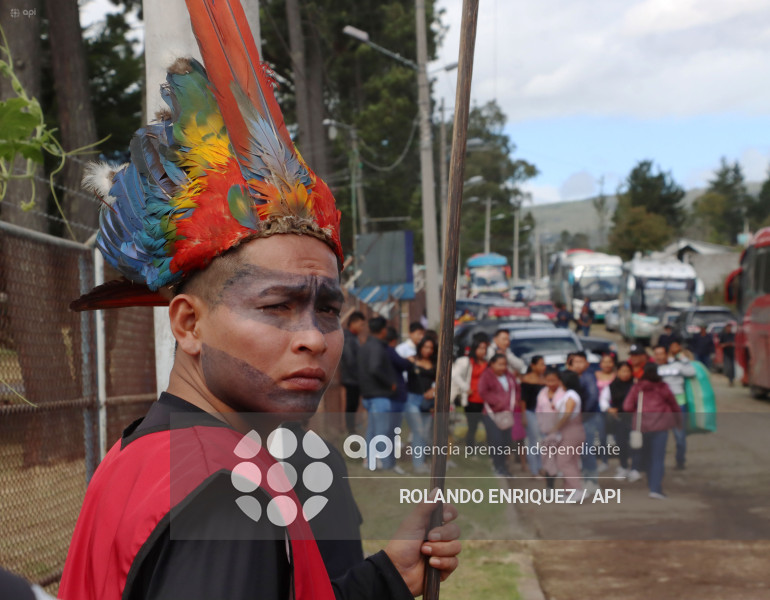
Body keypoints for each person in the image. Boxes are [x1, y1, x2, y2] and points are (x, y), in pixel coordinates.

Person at [60, 4, 461, 595]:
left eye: (327, 309)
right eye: (276, 306)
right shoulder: (226, 494)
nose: (315, 338)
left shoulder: (143, 447)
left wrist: (385, 580)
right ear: (189, 323)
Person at [624, 363, 682, 499]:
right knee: (658, 459)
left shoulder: (637, 388)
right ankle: (655, 488)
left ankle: (651, 483)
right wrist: (678, 421)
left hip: (641, 427)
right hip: (661, 427)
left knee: (647, 456)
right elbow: (674, 405)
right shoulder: (663, 387)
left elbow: (627, 406)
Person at [358, 317, 400, 471]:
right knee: (382, 431)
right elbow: (374, 368)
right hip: (379, 395)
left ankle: (370, 461)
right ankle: (382, 461)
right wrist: (391, 383)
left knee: (372, 430)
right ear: (383, 330)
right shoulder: (377, 348)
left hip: (368, 395)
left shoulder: (364, 346)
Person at [536, 369, 585, 491]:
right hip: (570, 431)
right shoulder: (569, 394)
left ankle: (577, 489)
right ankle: (570, 490)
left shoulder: (571, 395)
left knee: (563, 462)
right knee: (572, 462)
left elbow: (567, 413)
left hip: (571, 431)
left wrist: (556, 426)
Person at [653, 343, 695, 471]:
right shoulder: (653, 369)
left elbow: (692, 372)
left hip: (678, 406)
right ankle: (657, 463)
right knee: (658, 437)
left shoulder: (678, 365)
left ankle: (680, 461)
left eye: (661, 353)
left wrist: (681, 356)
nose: (659, 356)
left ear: (666, 354)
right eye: (656, 354)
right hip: (660, 408)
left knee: (680, 438)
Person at [478, 354, 521, 477]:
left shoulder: (509, 376)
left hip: (507, 414)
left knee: (506, 441)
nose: (503, 367)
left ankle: (503, 467)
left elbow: (516, 389)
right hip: (492, 414)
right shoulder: (486, 376)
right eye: (500, 364)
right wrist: (499, 403)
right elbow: (483, 392)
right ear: (492, 364)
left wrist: (514, 402)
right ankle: (498, 467)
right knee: (496, 441)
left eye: (504, 364)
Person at [599, 362, 640, 481]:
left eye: (628, 371)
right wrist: (608, 408)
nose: (625, 374)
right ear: (617, 372)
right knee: (621, 443)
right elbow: (603, 400)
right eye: (623, 371)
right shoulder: (611, 386)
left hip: (634, 419)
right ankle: (623, 467)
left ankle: (635, 469)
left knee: (635, 443)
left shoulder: (636, 385)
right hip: (619, 419)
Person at [567, 351, 602, 488]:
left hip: (587, 417)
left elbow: (593, 397)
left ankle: (592, 481)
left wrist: (582, 415)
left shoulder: (588, 377)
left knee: (587, 449)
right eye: (575, 362)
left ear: (587, 364)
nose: (578, 365)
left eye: (581, 362)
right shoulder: (569, 377)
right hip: (572, 420)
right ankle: (582, 479)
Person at [405, 336, 438, 474]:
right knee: (418, 430)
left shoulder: (435, 363)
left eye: (431, 348)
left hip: (427, 400)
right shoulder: (411, 360)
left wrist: (434, 390)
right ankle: (418, 464)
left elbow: (440, 380)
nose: (428, 350)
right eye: (425, 347)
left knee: (424, 432)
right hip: (412, 399)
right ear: (420, 347)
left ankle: (423, 461)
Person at [452, 338, 490, 447]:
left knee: (488, 425)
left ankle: (487, 449)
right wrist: (465, 388)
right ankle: (470, 449)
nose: (482, 351)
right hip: (472, 399)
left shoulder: (487, 363)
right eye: (480, 348)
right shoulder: (466, 362)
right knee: (472, 426)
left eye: (484, 348)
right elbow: (455, 375)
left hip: (485, 399)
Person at [385, 326, 411, 475]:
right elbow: (404, 364)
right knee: (391, 431)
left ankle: (385, 460)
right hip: (395, 397)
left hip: (391, 396)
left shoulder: (382, 351)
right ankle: (389, 462)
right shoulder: (390, 351)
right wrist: (410, 361)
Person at [520, 356, 546, 477]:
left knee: (543, 442)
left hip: (543, 415)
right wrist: (524, 415)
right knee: (533, 441)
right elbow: (523, 400)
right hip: (530, 413)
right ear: (533, 366)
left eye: (544, 364)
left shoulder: (545, 379)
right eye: (540, 364)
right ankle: (534, 470)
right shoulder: (527, 380)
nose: (543, 367)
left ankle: (541, 467)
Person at [340, 311, 366, 434]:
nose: (362, 328)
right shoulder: (349, 338)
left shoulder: (353, 337)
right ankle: (350, 430)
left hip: (354, 378)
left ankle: (352, 428)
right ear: (353, 323)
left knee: (354, 405)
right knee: (351, 405)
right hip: (351, 378)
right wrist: (359, 376)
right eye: (361, 325)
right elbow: (350, 360)